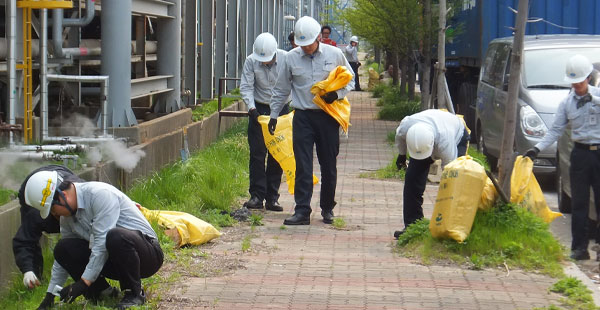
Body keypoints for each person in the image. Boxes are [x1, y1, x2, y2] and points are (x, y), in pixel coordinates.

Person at [26, 171, 164, 310]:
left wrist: (84, 282)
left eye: (53, 209)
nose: (54, 214)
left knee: (115, 236)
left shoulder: (99, 194)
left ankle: (134, 294)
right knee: (63, 248)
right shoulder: (67, 218)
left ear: (63, 196)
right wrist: (50, 295)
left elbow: (101, 243)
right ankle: (102, 294)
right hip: (114, 258)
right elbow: (63, 259)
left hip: (147, 255)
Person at [268, 16, 354, 225]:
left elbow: (350, 79)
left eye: (308, 44)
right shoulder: (290, 58)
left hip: (328, 117)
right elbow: (281, 89)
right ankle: (302, 210)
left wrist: (338, 94)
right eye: (301, 44)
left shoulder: (335, 54)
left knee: (328, 164)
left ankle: (327, 208)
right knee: (303, 165)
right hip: (303, 116)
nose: (305, 48)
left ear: (318, 38)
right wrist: (273, 114)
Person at [525, 54, 600, 261]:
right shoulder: (567, 104)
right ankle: (579, 248)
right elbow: (555, 130)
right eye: (573, 82)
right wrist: (537, 149)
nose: (577, 85)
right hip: (580, 154)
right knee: (580, 203)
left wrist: (592, 99)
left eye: (580, 81)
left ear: (588, 79)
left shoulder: (597, 95)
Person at [394, 109, 469, 238]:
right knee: (412, 179)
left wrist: (446, 190)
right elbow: (400, 139)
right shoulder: (406, 126)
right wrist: (401, 155)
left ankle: (452, 226)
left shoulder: (446, 142)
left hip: (458, 133)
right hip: (428, 134)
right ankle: (412, 225)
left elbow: (451, 171)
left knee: (456, 183)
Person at [13, 165, 85, 290]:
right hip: (32, 187)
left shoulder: (83, 195)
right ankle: (35, 280)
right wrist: (27, 270)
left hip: (59, 177)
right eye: (55, 213)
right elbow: (24, 240)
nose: (59, 216)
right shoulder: (36, 211)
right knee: (32, 237)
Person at [240, 32, 290, 212]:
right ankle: (256, 195)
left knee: (277, 154)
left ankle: (272, 197)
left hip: (281, 109)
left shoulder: (286, 59)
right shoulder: (251, 61)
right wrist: (251, 109)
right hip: (259, 110)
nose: (265, 63)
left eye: (268, 60)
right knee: (257, 154)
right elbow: (246, 86)